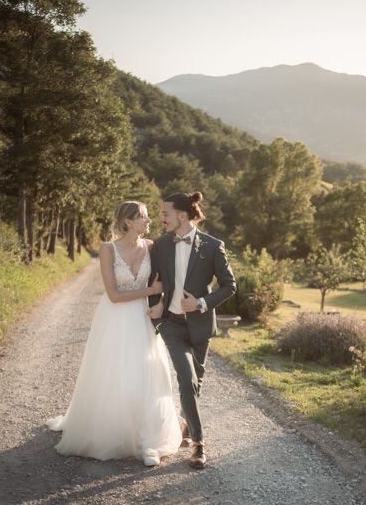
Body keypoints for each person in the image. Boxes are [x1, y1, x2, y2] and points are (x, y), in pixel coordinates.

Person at [47, 201, 180, 467]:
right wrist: (150, 292)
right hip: (114, 317)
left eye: (148, 217)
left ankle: (148, 440)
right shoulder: (108, 250)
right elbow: (115, 295)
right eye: (142, 217)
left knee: (146, 372)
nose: (149, 221)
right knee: (113, 372)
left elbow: (166, 281)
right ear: (127, 222)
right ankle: (110, 432)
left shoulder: (151, 246)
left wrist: (162, 301)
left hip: (143, 318)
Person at [147, 191, 236, 469]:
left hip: (200, 326)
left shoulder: (212, 245)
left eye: (165, 213)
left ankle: (185, 425)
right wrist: (158, 313)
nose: (161, 218)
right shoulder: (160, 245)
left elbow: (228, 285)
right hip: (172, 325)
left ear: (181, 216)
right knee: (186, 380)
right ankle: (199, 444)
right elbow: (153, 282)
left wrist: (200, 303)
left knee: (195, 382)